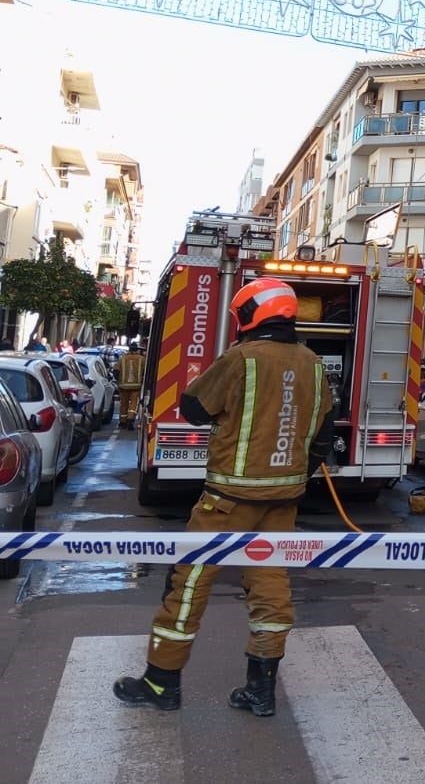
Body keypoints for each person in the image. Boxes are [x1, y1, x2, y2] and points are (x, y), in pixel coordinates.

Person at [113, 276, 333, 718]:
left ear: (251, 315)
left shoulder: (241, 359)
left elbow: (194, 410)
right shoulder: (312, 363)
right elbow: (324, 436)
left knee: (188, 583)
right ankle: (261, 691)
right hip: (283, 499)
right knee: (271, 588)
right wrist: (292, 475)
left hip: (226, 499)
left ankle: (161, 683)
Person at [117, 342, 147, 427]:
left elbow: (116, 371)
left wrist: (118, 381)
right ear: (137, 349)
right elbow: (145, 372)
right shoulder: (142, 359)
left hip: (123, 386)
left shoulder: (122, 358)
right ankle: (130, 419)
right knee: (134, 403)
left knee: (124, 403)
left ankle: (122, 421)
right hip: (136, 386)